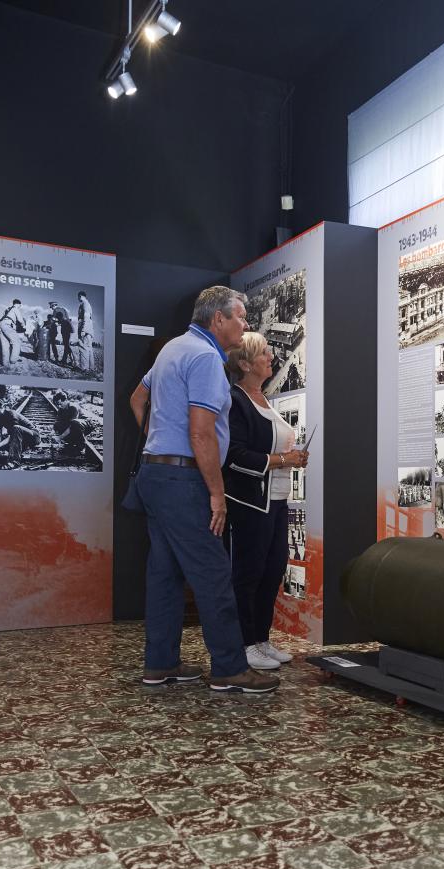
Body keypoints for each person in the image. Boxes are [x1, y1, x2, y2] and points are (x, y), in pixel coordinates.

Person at [130, 285, 278, 694]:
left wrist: (161, 442)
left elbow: (137, 398)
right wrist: (216, 492)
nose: (245, 324)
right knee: (213, 572)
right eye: (241, 317)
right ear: (218, 320)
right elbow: (201, 432)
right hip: (183, 479)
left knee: (165, 573)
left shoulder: (172, 349)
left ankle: (159, 664)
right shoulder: (206, 357)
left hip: (155, 475)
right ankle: (230, 668)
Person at [224, 331, 309, 670]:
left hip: (276, 501)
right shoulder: (235, 400)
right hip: (250, 503)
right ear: (245, 363)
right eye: (264, 354)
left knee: (272, 570)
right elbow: (234, 455)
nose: (271, 357)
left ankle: (261, 639)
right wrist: (284, 460)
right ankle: (244, 643)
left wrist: (292, 457)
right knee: (248, 574)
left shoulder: (264, 397)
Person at [0, 396, 40, 469]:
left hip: (33, 437)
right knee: (0, 440)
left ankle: (13, 462)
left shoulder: (11, 414)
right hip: (21, 439)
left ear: (1, 408)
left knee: (16, 428)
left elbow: (12, 436)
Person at [0, 299, 25, 367]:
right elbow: (20, 320)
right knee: (17, 342)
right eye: (20, 305)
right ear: (18, 304)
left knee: (5, 346)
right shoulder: (15, 308)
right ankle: (13, 360)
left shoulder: (8, 310)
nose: (20, 307)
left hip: (0, 326)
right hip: (7, 325)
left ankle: (5, 363)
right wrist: (24, 326)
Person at [49, 301, 76, 367]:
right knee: (66, 344)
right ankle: (65, 360)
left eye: (51, 307)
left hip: (65, 327)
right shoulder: (63, 309)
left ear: (53, 306)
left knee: (66, 345)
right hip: (69, 327)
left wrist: (53, 322)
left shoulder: (55, 310)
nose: (52, 308)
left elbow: (55, 320)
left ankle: (74, 361)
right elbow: (67, 318)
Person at [77, 291, 96, 373]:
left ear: (80, 296)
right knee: (89, 349)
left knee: (83, 347)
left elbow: (86, 317)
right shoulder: (88, 304)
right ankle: (91, 369)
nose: (78, 298)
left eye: (78, 297)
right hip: (89, 330)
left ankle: (84, 369)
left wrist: (83, 330)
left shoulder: (84, 304)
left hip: (85, 330)